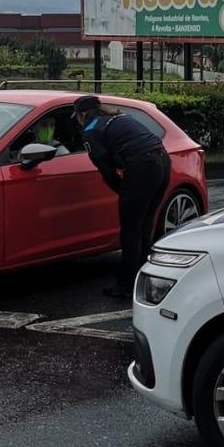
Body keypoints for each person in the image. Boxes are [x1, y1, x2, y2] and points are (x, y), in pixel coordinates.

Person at [74, 95, 170, 298]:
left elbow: (105, 168)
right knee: (144, 225)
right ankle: (146, 276)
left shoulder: (91, 130)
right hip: (163, 160)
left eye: (77, 117)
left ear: (83, 115)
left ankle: (126, 285)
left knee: (130, 229)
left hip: (142, 165)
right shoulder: (120, 117)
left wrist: (122, 190)